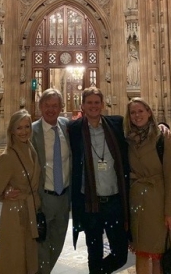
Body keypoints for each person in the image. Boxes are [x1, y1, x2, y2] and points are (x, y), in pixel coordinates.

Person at [7, 88, 71, 274]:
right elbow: (13, 155)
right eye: (47, 105)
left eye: (55, 106)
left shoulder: (67, 127)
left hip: (64, 197)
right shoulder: (31, 130)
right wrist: (7, 186)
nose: (51, 109)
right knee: (41, 244)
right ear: (40, 107)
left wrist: (162, 125)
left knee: (57, 242)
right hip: (42, 197)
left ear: (61, 107)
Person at [68, 87, 130, 274]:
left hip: (114, 202)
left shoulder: (116, 124)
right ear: (83, 106)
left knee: (120, 254)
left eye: (97, 102)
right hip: (90, 204)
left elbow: (141, 123)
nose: (93, 106)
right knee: (93, 253)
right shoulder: (73, 129)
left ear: (102, 105)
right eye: (89, 103)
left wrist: (162, 125)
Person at [124, 98, 171, 274]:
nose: (137, 115)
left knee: (158, 253)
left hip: (157, 202)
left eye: (140, 111)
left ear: (149, 112)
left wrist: (170, 213)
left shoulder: (162, 138)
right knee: (141, 251)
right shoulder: (127, 138)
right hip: (137, 202)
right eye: (133, 112)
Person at [0, 109, 41, 274]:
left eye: (27, 127)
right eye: (19, 128)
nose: (24, 131)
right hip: (15, 214)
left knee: (29, 257)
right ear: (11, 130)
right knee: (15, 259)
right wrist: (5, 194)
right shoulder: (8, 157)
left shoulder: (31, 149)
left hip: (30, 210)